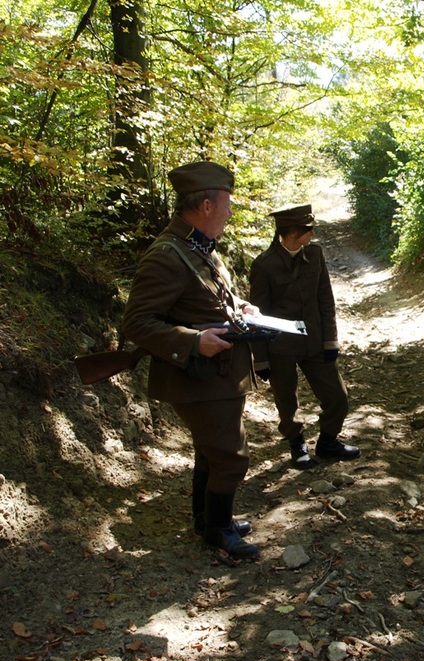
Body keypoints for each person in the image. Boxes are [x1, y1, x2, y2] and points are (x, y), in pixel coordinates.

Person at [123, 161, 260, 560]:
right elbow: (137, 322)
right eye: (226, 204)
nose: (230, 212)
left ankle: (207, 520)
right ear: (204, 205)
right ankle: (218, 529)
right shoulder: (167, 254)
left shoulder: (199, 248)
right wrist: (194, 339)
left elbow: (207, 298)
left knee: (211, 450)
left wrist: (241, 308)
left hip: (218, 375)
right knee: (232, 457)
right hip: (196, 376)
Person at [249, 204, 360, 467]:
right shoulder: (264, 265)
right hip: (280, 346)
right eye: (308, 230)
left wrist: (330, 341)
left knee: (337, 396)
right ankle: (296, 443)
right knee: (286, 402)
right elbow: (257, 315)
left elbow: (326, 300)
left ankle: (328, 441)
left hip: (315, 341)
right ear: (292, 233)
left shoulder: (315, 254)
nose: (312, 235)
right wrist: (261, 359)